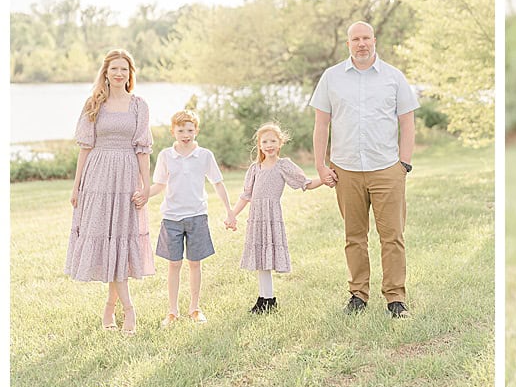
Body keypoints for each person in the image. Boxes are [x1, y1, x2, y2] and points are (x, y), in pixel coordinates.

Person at [310, 21, 419, 318]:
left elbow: (407, 123)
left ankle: (395, 298)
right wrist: (321, 166)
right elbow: (321, 124)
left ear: (374, 40)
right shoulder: (331, 78)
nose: (361, 43)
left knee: (392, 236)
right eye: (355, 39)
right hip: (345, 170)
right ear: (348, 44)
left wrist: (404, 163)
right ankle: (358, 294)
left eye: (366, 38)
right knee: (354, 236)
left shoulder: (393, 78)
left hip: (386, 168)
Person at [64, 49, 155, 334]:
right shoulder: (94, 104)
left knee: (121, 241)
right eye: (114, 69)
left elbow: (143, 149)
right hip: (98, 178)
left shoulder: (139, 106)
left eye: (124, 70)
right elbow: (85, 147)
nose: (119, 74)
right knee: (105, 239)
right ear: (105, 73)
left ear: (130, 75)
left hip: (127, 176)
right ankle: (127, 309)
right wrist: (77, 185)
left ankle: (112, 308)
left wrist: (146, 186)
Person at [149, 109, 236, 327]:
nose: (185, 134)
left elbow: (217, 183)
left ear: (196, 130)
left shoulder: (205, 155)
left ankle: (195, 309)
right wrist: (142, 195)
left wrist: (230, 211)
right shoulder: (165, 156)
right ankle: (172, 312)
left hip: (197, 216)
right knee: (174, 264)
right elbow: (159, 185)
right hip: (172, 218)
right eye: (180, 130)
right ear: (173, 132)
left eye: (190, 129)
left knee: (195, 264)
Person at [229, 121, 325, 314]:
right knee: (260, 259)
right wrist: (232, 215)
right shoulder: (255, 168)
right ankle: (265, 298)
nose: (269, 145)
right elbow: (246, 195)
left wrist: (325, 178)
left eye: (273, 140)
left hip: (271, 216)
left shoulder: (283, 166)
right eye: (265, 141)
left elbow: (304, 183)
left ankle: (269, 299)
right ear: (260, 145)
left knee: (268, 257)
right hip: (257, 217)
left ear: (280, 143)